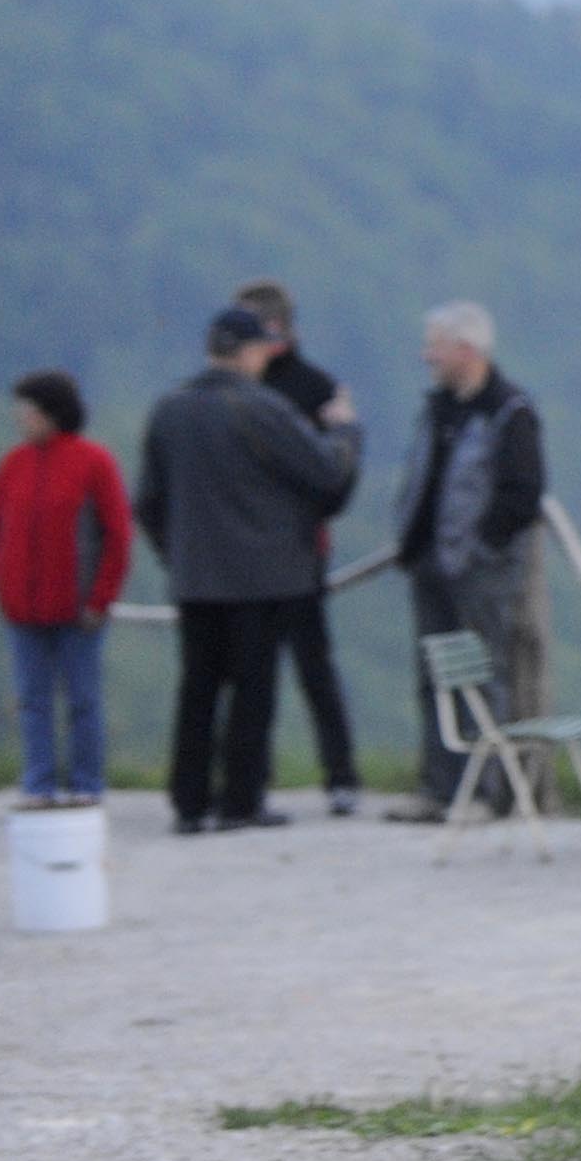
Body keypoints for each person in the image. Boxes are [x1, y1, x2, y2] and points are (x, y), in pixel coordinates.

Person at [134, 306, 363, 833]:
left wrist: (176, 553)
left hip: (195, 579)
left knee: (197, 689)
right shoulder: (261, 408)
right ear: (248, 353)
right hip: (264, 579)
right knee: (252, 691)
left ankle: (189, 802)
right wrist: (347, 430)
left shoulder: (169, 410)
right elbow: (325, 470)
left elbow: (148, 501)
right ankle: (241, 799)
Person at [388, 301, 550, 823]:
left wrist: (481, 547)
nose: (427, 356)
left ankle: (484, 792)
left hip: (481, 571)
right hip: (430, 565)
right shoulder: (438, 409)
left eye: (435, 346)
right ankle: (439, 787)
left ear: (466, 349)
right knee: (434, 677)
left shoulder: (509, 410)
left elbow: (523, 492)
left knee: (482, 677)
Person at [232, 279, 366, 816]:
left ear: (274, 329)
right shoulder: (237, 387)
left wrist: (311, 516)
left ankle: (341, 775)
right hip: (246, 550)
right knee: (251, 670)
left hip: (299, 549)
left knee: (315, 666)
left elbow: (337, 477)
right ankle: (252, 778)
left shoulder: (315, 388)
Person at [0, 372, 130, 808]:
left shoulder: (94, 463)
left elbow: (117, 535)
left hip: (78, 609)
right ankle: (39, 783)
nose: (20, 418)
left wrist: (101, 597)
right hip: (22, 608)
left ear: (51, 414)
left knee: (82, 700)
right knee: (32, 700)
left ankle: (86, 784)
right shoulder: (14, 463)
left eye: (27, 410)